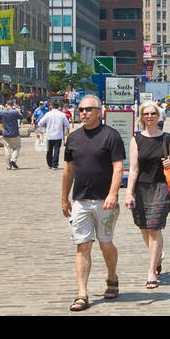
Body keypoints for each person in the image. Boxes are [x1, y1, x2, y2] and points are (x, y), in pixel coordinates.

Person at [61, 96, 125, 311]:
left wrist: (113, 194)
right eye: (81, 109)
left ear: (99, 112)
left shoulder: (111, 136)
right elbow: (68, 170)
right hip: (80, 201)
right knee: (83, 246)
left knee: (105, 243)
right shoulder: (73, 138)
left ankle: (112, 276)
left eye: (89, 109)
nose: (84, 113)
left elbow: (118, 167)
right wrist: (64, 198)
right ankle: (82, 294)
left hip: (104, 201)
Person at [125, 101, 170, 290]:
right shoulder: (136, 140)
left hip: (160, 187)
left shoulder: (166, 138)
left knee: (154, 229)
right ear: (141, 117)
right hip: (141, 189)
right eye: (146, 114)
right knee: (144, 229)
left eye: (153, 113)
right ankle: (157, 257)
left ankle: (151, 271)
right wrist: (128, 193)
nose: (150, 117)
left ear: (158, 116)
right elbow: (133, 169)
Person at [40, 102, 71, 169]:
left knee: (49, 151)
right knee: (57, 150)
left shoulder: (48, 114)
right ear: (58, 107)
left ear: (51, 106)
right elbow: (67, 125)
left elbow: (40, 122)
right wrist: (67, 131)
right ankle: (55, 164)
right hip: (58, 135)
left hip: (49, 135)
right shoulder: (62, 115)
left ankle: (50, 164)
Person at [0, 102, 22, 170]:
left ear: (6, 105)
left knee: (7, 148)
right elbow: (21, 117)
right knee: (17, 147)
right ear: (12, 105)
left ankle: (8, 165)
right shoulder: (14, 112)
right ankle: (13, 160)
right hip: (14, 133)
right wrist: (18, 110)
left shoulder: (2, 112)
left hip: (5, 133)